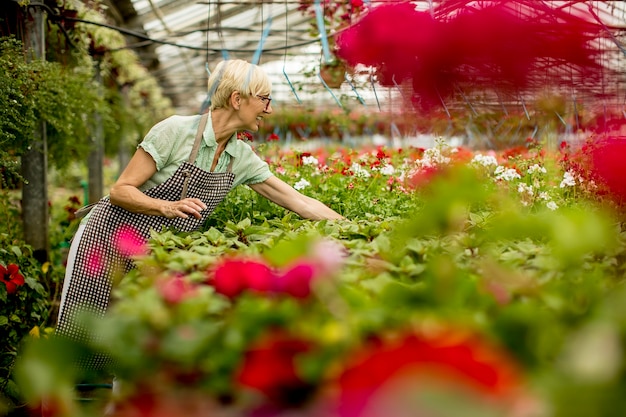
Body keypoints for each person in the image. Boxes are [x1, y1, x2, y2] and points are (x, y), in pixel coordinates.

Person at [56, 59, 343, 368]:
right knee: (78, 335)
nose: (269, 109)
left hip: (156, 254)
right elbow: (120, 190)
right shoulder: (175, 131)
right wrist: (165, 206)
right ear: (237, 100)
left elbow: (298, 201)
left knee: (140, 343)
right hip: (106, 239)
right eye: (264, 99)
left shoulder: (240, 157)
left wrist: (350, 226)